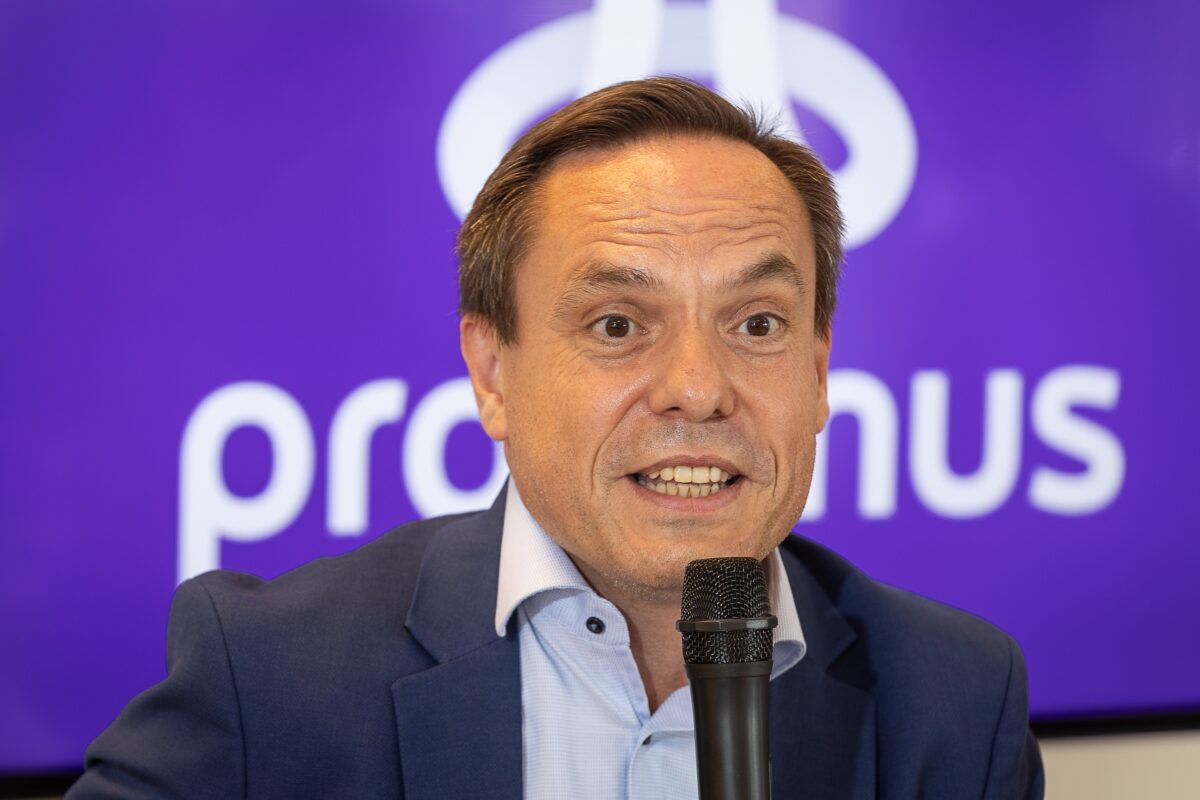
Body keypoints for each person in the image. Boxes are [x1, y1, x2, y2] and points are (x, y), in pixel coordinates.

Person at [68, 77, 1043, 799]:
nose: (700, 389)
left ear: (819, 371)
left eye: (757, 323)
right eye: (618, 324)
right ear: (492, 372)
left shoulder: (954, 704)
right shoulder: (270, 675)